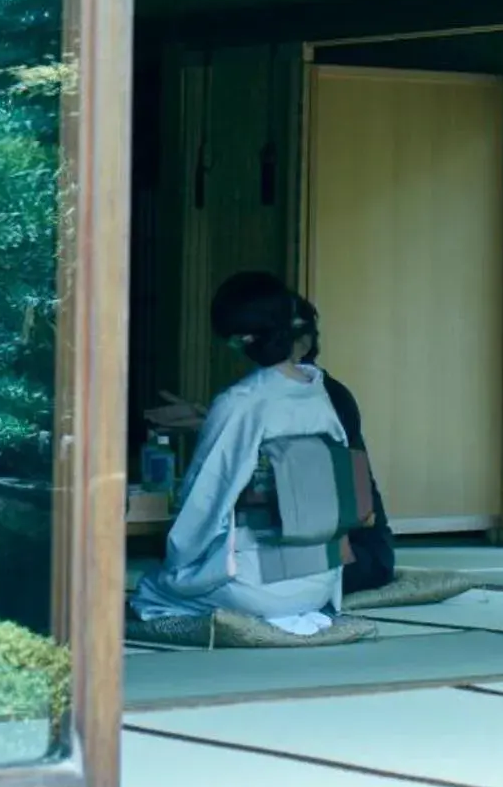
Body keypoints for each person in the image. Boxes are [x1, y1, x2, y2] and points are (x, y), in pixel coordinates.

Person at [130, 274, 368, 644]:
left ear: (240, 340)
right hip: (320, 582)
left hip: (254, 586)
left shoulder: (242, 402)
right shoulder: (321, 396)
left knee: (152, 589)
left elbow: (205, 497)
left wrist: (177, 558)